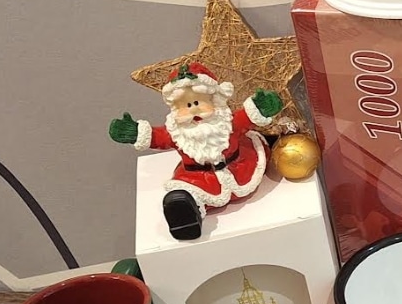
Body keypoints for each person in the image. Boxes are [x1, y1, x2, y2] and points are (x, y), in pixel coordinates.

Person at [109, 62, 282, 240]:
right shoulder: (177, 132)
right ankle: (186, 216)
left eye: (198, 102)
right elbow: (157, 137)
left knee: (259, 154)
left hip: (239, 166)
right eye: (186, 105)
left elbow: (245, 118)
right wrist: (135, 132)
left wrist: (260, 108)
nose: (193, 109)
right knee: (189, 194)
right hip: (198, 177)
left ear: (213, 99)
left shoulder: (225, 122)